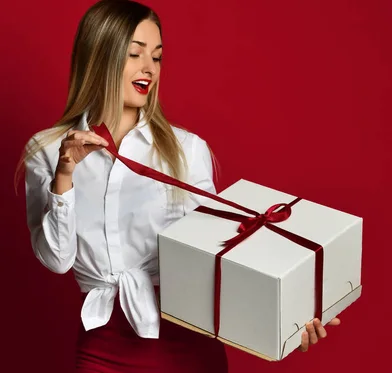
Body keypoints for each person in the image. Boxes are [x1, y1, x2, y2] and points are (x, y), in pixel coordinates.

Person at [16, 0, 340, 372]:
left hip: (187, 344)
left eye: (156, 57)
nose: (148, 69)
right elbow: (57, 261)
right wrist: (65, 175)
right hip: (101, 347)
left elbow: (221, 255)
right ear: (100, 56)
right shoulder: (46, 150)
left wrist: (290, 315)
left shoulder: (186, 149)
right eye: (135, 53)